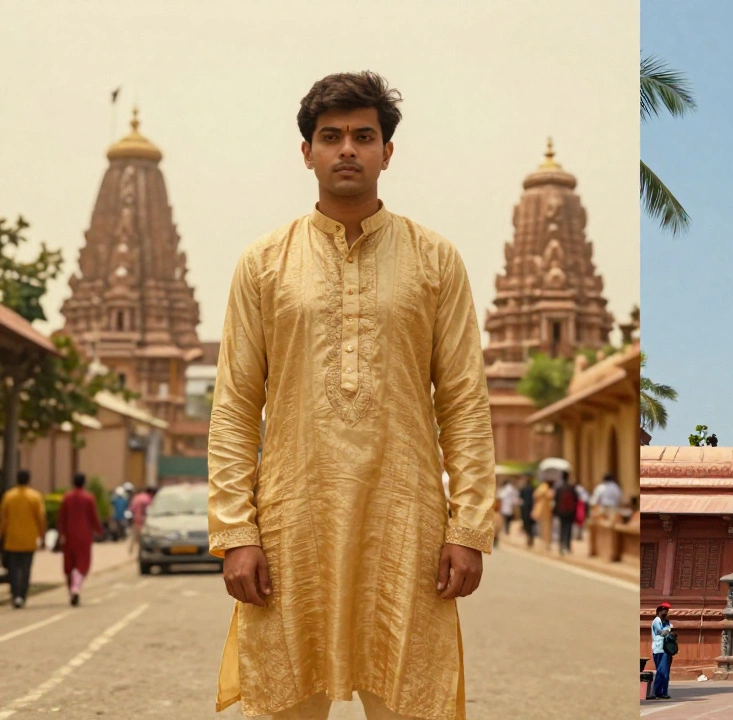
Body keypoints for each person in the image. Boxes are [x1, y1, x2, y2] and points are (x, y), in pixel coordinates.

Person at [207, 72, 495, 719]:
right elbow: (233, 405)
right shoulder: (264, 263)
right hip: (289, 525)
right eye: (330, 136)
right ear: (305, 151)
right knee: (283, 701)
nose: (347, 150)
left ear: (387, 152)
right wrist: (235, 531)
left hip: (407, 524)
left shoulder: (435, 260)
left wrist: (470, 525)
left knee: (411, 701)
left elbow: (464, 402)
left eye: (363, 137)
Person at [0, 470, 45, 608]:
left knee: (13, 570)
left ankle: (15, 595)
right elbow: (41, 518)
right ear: (29, 479)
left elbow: (3, 519)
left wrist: (1, 535)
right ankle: (22, 596)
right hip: (28, 540)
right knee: (26, 570)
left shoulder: (9, 496)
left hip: (12, 539)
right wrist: (42, 536)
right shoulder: (35, 497)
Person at [56, 473, 101, 607]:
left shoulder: (67, 498)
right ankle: (76, 588)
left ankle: (72, 589)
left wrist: (60, 534)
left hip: (69, 536)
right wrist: (99, 530)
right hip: (84, 537)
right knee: (82, 564)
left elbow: (61, 518)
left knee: (69, 564)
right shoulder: (89, 498)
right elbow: (94, 517)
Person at [650, 602, 675, 700]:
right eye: (663, 610)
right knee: (661, 671)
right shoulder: (656, 620)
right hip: (658, 649)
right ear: (658, 612)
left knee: (665, 671)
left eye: (666, 610)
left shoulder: (667, 621)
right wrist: (670, 631)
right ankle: (658, 692)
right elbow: (662, 632)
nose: (665, 612)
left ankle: (663, 692)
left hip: (666, 649)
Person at [553, 472, 578, 556]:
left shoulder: (559, 488)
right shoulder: (571, 487)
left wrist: (555, 512)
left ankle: (561, 545)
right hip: (570, 511)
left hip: (561, 511)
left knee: (562, 528)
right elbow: (576, 499)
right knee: (569, 528)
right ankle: (567, 546)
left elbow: (555, 500)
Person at [126, 486, 155, 556]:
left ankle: (131, 551)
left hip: (136, 520)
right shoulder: (149, 499)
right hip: (145, 521)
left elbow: (131, 509)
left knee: (134, 537)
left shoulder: (136, 497)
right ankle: (142, 551)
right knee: (144, 538)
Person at [533, 477, 554, 551]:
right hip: (543, 512)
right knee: (544, 529)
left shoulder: (543, 489)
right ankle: (544, 544)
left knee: (545, 529)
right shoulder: (544, 489)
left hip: (545, 512)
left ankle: (545, 543)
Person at [519, 476, 537, 548]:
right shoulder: (533, 489)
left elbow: (520, 499)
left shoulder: (523, 489)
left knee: (527, 524)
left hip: (525, 509)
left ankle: (528, 539)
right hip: (531, 508)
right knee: (531, 525)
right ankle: (531, 538)